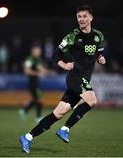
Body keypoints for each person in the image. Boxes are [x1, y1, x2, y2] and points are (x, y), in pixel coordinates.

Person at [19, 5, 106, 153]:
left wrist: (100, 58)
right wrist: (64, 65)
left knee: (58, 113)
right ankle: (65, 129)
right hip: (75, 77)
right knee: (92, 100)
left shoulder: (99, 36)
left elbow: (97, 52)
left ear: (91, 17)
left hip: (84, 79)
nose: (82, 19)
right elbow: (55, 55)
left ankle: (27, 137)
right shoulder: (72, 36)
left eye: (85, 16)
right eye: (79, 17)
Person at [19, 43, 48, 123]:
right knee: (39, 99)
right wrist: (38, 73)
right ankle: (38, 117)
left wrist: (46, 71)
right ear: (33, 51)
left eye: (39, 51)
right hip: (32, 83)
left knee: (37, 99)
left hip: (36, 82)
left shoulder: (38, 60)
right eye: (36, 51)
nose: (38, 52)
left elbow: (42, 69)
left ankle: (24, 110)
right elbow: (26, 71)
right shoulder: (30, 59)